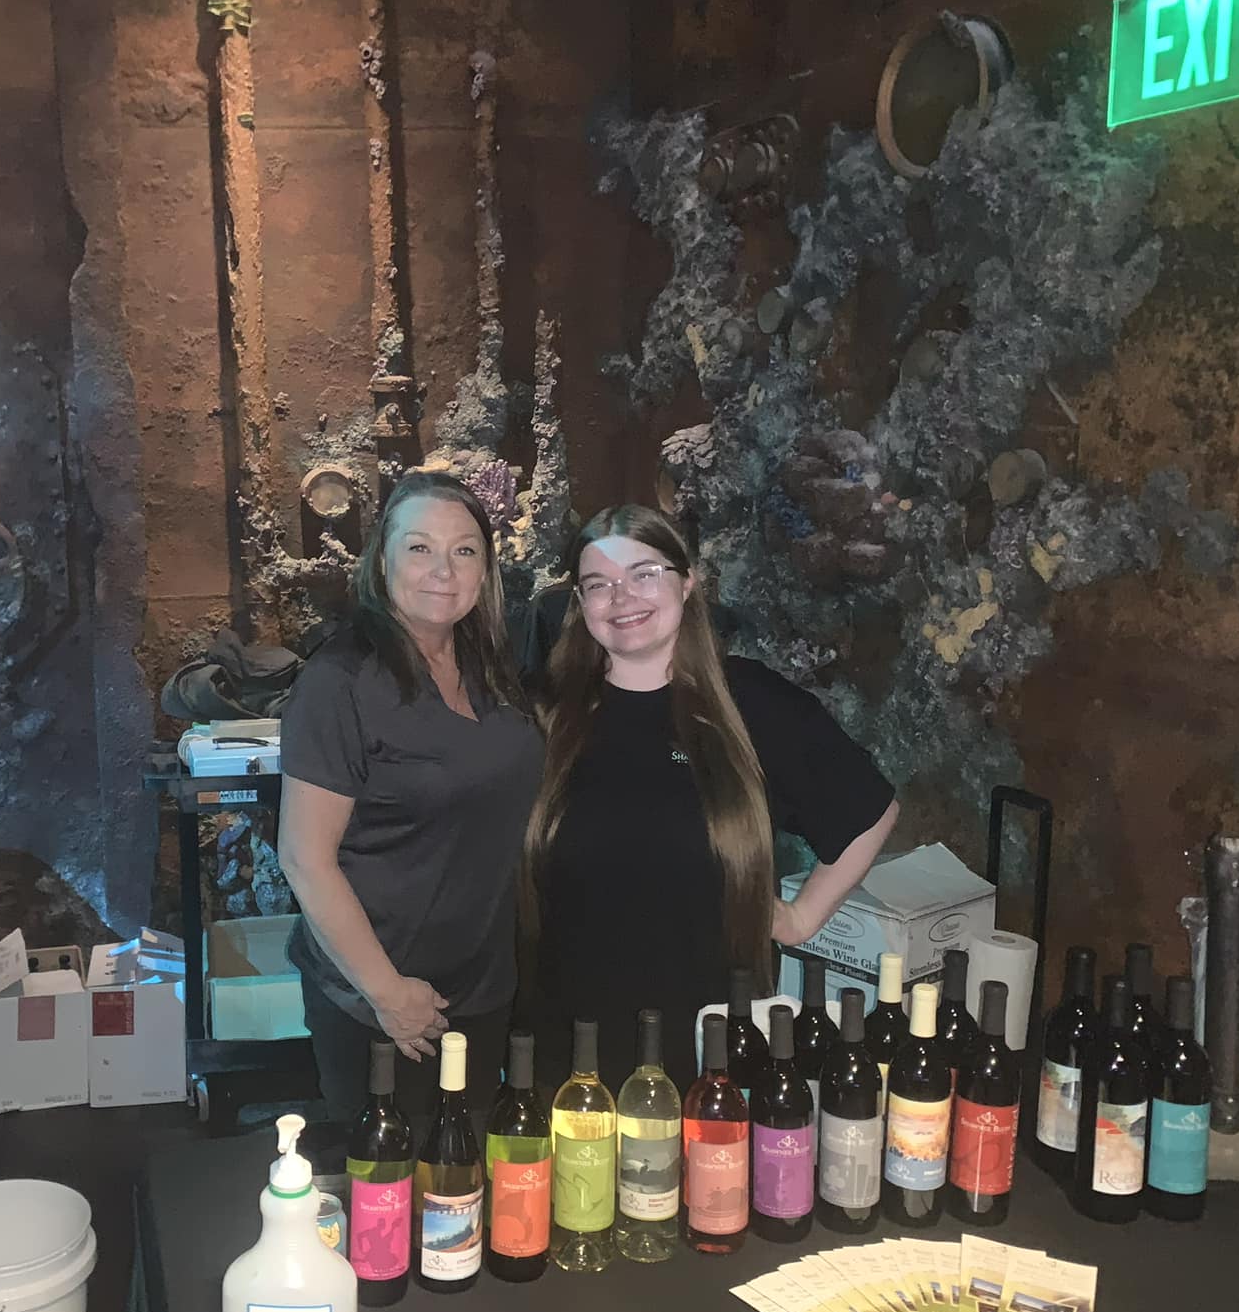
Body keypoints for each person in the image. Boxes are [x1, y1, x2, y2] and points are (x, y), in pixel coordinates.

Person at [524, 504, 899, 1091]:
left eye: (645, 574)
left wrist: (801, 919)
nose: (622, 598)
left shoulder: (748, 702)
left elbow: (870, 810)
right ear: (580, 603)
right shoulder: (545, 714)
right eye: (599, 584)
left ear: (687, 582)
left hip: (714, 1044)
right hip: (571, 1044)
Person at [278, 471, 543, 1131]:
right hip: (382, 1002)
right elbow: (305, 858)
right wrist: (387, 991)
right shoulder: (341, 681)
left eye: (464, 551)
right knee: (390, 1185)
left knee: (465, 1178)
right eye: (420, 548)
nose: (443, 571)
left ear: (485, 570)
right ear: (383, 561)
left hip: (480, 988)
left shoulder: (489, 665)